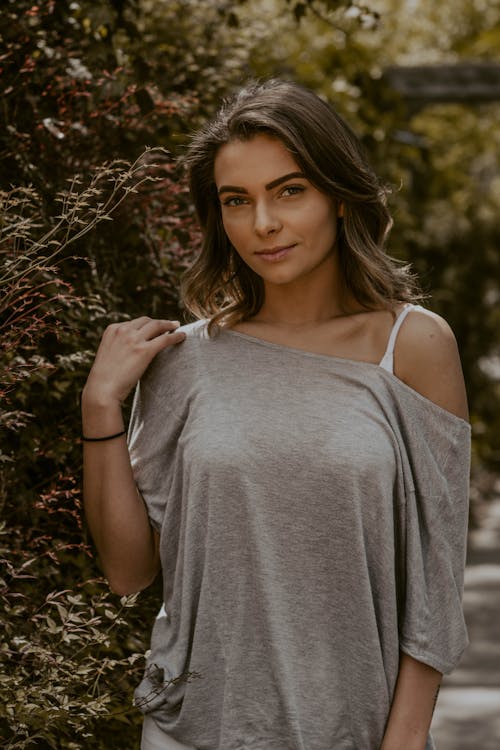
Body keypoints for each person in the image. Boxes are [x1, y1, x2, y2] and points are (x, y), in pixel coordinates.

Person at [82, 79, 471, 750]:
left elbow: (436, 583)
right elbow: (129, 571)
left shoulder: (413, 346)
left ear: (340, 198)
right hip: (191, 733)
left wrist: (403, 741)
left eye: (289, 191)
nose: (263, 223)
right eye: (238, 201)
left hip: (357, 732)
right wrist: (100, 406)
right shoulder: (186, 361)